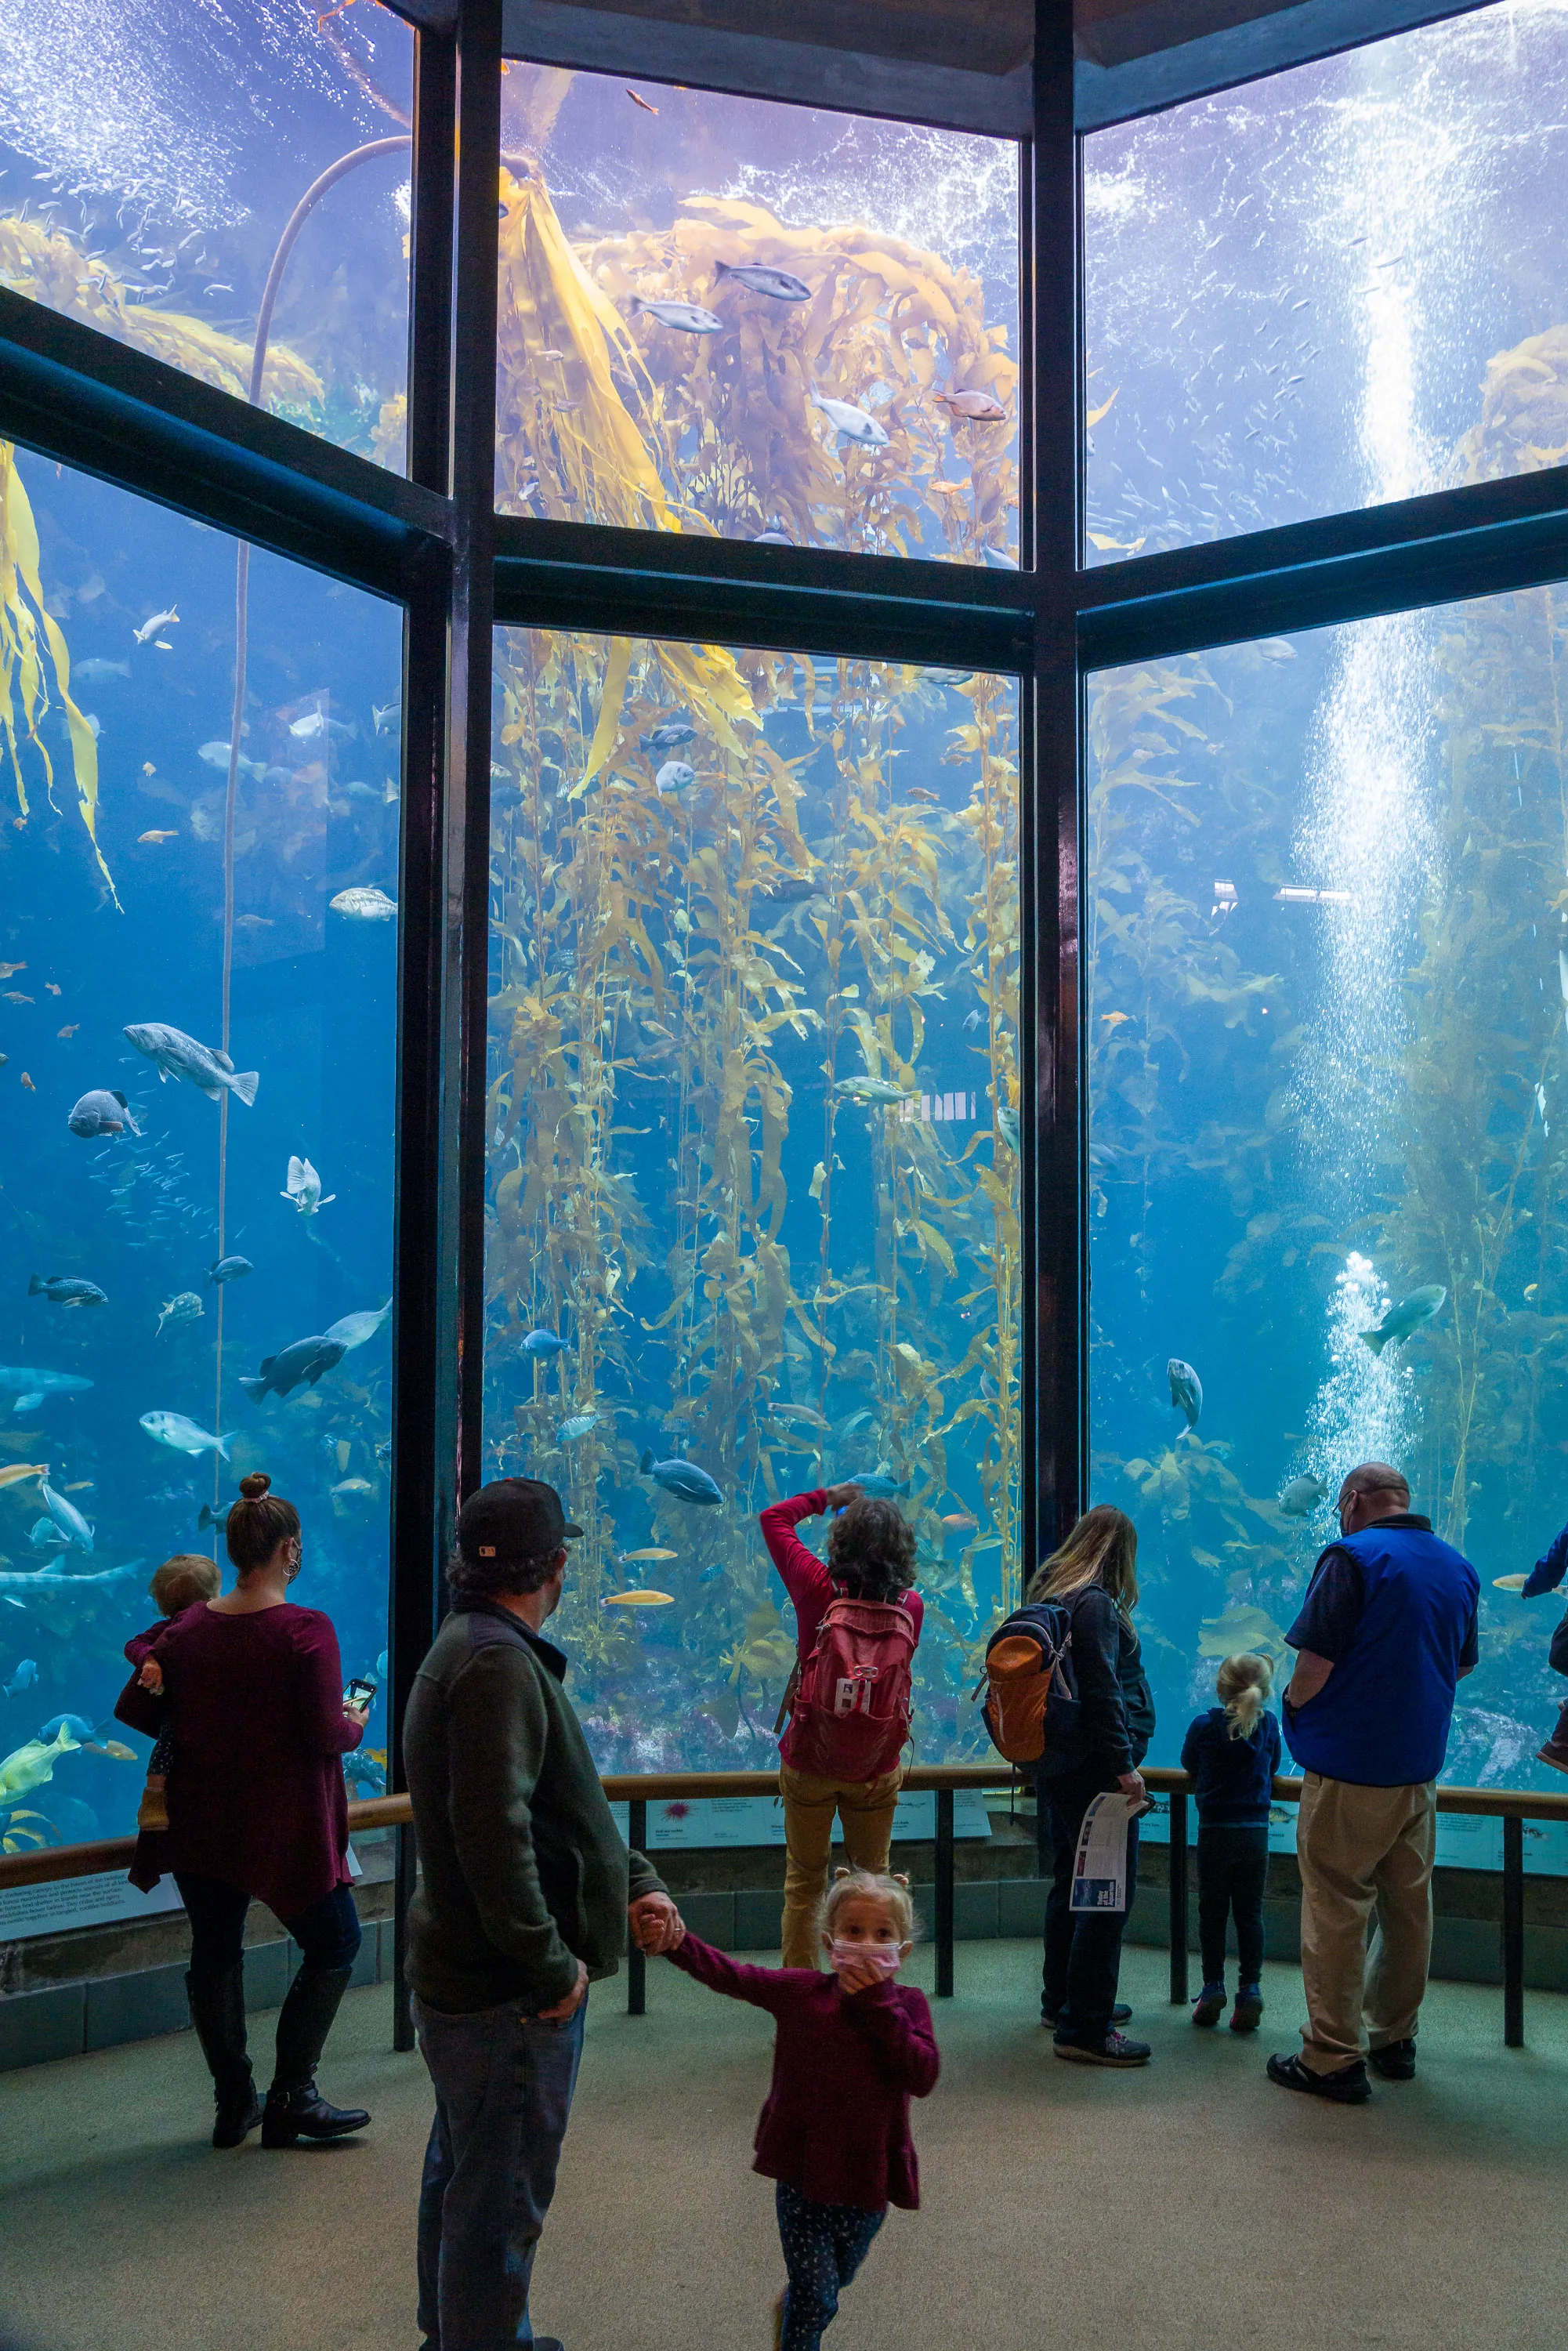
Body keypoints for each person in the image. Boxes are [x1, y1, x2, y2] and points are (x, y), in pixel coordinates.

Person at [403, 1476, 682, 2351]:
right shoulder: (494, 1665)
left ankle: (463, 2335)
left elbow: (564, 1802)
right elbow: (496, 1836)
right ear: (556, 1564)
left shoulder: (480, 1648)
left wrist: (632, 1876)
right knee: (499, 2194)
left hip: (474, 1979)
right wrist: (550, 1966)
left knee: (469, 2169)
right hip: (504, 1994)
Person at [114, 1472, 372, 2150]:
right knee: (337, 1942)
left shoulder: (189, 1628)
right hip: (285, 1825)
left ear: (231, 1550)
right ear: (288, 1549)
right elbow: (326, 1734)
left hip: (203, 1824)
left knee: (215, 1950)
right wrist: (356, 1719)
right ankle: (293, 2096)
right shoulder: (306, 1629)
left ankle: (235, 2103)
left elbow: (139, 1701)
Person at [1269, 1460, 1479, 2103]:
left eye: (1339, 1507)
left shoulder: (1352, 1558)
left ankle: (1331, 2058)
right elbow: (1460, 1665)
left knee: (1336, 1907)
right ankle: (1393, 2038)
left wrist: (1296, 1708)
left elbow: (1313, 1662)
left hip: (1349, 1770)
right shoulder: (1457, 1567)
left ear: (1354, 1501)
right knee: (1407, 1908)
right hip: (1418, 1772)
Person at [661, 1867, 938, 2351]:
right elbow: (732, 1975)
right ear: (831, 1939)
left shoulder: (908, 2006)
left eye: (882, 1934)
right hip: (803, 2172)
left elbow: (922, 2074)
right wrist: (674, 1942)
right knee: (816, 2296)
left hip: (866, 2174)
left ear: (903, 1950)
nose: (867, 1945)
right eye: (853, 1931)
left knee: (835, 2280)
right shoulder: (802, 1993)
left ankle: (795, 2308)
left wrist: (879, 2005)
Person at [761, 1483, 924, 1970]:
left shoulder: (816, 1587)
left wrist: (827, 1495)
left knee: (805, 1883)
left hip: (811, 1758)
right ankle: (869, 1992)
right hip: (876, 1767)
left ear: (839, 1544)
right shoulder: (911, 1607)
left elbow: (773, 1518)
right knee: (875, 1885)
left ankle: (800, 1999)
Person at [1029, 1504, 1154, 2066]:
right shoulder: (1095, 1604)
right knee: (1105, 1896)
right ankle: (1085, 2028)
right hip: (1097, 1776)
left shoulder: (1051, 1595)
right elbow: (1103, 1692)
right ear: (1120, 1553)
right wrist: (1125, 1767)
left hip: (1058, 1768)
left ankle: (1061, 2001)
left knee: (1068, 1884)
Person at [1180, 1651, 1281, 2031]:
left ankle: (1212, 1987)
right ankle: (1250, 1989)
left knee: (1213, 1912)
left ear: (1221, 1688)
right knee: (1250, 1914)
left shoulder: (1205, 1725)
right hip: (1255, 1833)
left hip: (1215, 1833)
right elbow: (1272, 1768)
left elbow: (1189, 1762)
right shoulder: (1269, 1725)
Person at [124, 1552, 221, 1833]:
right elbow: (134, 1645)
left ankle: (155, 1797)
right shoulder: (168, 1628)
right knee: (169, 1740)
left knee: (167, 1746)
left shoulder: (221, 1622)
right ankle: (153, 1799)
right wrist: (150, 1659)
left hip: (209, 1708)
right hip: (182, 1708)